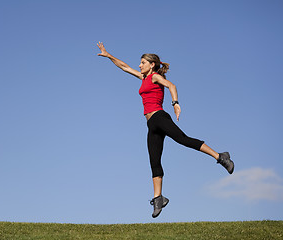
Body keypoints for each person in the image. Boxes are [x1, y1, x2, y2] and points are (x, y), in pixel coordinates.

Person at [96, 42, 234, 218]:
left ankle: (220, 157)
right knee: (154, 160)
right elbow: (124, 67)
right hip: (151, 124)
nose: (140, 65)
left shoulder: (154, 77)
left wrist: (175, 103)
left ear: (151, 64)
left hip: (160, 118)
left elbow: (171, 85)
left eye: (143, 63)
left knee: (183, 139)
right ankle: (158, 198)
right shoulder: (143, 77)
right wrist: (109, 56)